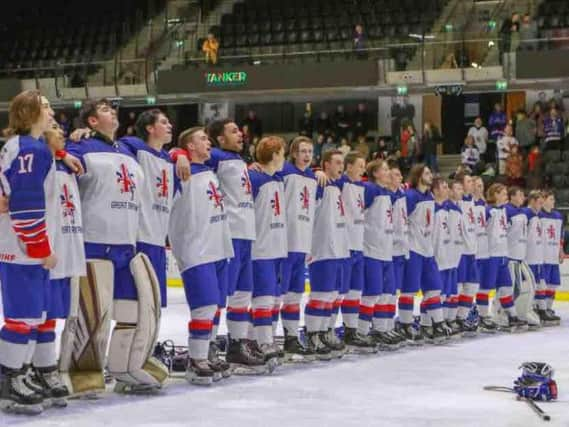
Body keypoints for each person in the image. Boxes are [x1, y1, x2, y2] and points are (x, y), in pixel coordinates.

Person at [66, 99, 169, 393]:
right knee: (93, 315)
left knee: (133, 313)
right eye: (105, 110)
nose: (113, 112)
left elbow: (157, 149)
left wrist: (179, 155)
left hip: (126, 244)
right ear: (91, 122)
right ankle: (80, 371)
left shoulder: (127, 149)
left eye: (113, 109)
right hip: (94, 242)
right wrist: (69, 142)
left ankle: (124, 367)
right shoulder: (80, 148)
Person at [0, 91, 60, 414]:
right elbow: (25, 207)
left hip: (21, 248)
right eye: (46, 105)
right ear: (29, 111)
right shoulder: (31, 150)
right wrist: (41, 248)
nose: (51, 110)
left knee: (30, 316)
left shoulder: (29, 148)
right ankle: (9, 380)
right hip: (22, 250)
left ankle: (19, 373)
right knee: (21, 317)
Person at [169, 127, 235, 384]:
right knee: (204, 305)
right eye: (203, 139)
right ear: (190, 146)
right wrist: (177, 154)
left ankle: (207, 351)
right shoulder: (178, 171)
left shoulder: (209, 170)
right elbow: (164, 155)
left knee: (216, 305)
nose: (209, 142)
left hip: (219, 245)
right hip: (196, 248)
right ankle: (196, 361)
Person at [43, 126, 86, 399]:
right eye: (55, 127)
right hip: (45, 251)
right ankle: (37, 369)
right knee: (38, 316)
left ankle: (51, 368)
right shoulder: (34, 161)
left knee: (57, 316)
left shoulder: (66, 164)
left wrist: (62, 152)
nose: (62, 130)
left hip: (69, 249)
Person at [120, 109, 177, 307]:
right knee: (136, 303)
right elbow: (112, 144)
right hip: (140, 239)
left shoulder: (169, 160)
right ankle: (138, 339)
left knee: (155, 302)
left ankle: (151, 339)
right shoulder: (135, 148)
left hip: (159, 240)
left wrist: (181, 153)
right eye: (163, 122)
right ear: (150, 128)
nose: (170, 126)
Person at [305, 150, 349, 359]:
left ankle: (326, 330)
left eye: (343, 163)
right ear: (326, 165)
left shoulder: (338, 186)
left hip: (339, 248)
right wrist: (315, 172)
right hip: (322, 249)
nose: (341, 166)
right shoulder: (319, 184)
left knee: (334, 295)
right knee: (320, 295)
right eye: (337, 163)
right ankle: (313, 334)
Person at [248, 136, 287, 367]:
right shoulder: (253, 178)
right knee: (262, 298)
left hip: (277, 248)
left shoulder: (278, 180)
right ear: (274, 155)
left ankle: (259, 340)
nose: (285, 159)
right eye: (282, 153)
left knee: (272, 299)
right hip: (260, 248)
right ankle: (263, 342)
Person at [278, 136, 319, 361]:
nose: (307, 155)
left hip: (302, 244)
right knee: (274, 296)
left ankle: (291, 338)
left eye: (310, 151)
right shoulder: (284, 171)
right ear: (293, 154)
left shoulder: (312, 176)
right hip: (284, 242)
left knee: (295, 295)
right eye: (303, 151)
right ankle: (260, 340)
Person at [398, 164, 446, 344]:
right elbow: (402, 219)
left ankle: (437, 324)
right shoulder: (411, 196)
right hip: (413, 250)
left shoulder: (429, 197)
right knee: (409, 290)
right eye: (427, 173)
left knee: (434, 288)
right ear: (418, 176)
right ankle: (405, 324)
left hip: (427, 250)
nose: (430, 175)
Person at [339, 152, 377, 353]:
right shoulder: (340, 183)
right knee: (338, 293)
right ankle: (327, 331)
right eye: (360, 165)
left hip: (358, 245)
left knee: (355, 292)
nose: (363, 169)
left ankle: (352, 332)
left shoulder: (364, 188)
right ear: (349, 166)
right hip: (343, 245)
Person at [477, 183, 526, 332]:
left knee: (506, 287)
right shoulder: (488, 211)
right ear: (496, 194)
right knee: (485, 287)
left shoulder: (503, 211)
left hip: (503, 255)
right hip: (490, 256)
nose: (506, 196)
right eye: (504, 193)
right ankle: (483, 317)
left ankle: (512, 316)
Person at [430, 178, 456, 342]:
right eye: (444, 187)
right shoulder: (431, 208)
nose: (448, 190)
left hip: (446, 256)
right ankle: (428, 324)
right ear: (436, 190)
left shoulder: (446, 209)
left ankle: (437, 323)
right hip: (434, 256)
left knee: (442, 293)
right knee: (433, 292)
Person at [504, 187, 533, 329]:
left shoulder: (523, 212)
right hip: (510, 256)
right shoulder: (507, 211)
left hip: (519, 257)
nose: (523, 197)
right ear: (512, 196)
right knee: (510, 288)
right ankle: (502, 313)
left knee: (517, 288)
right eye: (520, 194)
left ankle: (511, 313)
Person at [539, 190, 564, 325]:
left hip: (554, 254)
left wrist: (561, 250)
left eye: (553, 199)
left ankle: (548, 308)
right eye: (551, 199)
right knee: (543, 284)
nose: (553, 202)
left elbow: (560, 236)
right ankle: (540, 308)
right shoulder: (539, 215)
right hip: (543, 255)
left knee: (553, 284)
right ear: (543, 200)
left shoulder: (558, 216)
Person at [445, 180, 465, 336]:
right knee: (445, 290)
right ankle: (442, 319)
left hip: (455, 254)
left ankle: (450, 319)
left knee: (452, 290)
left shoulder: (457, 208)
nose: (461, 191)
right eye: (458, 188)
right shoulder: (447, 208)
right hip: (446, 254)